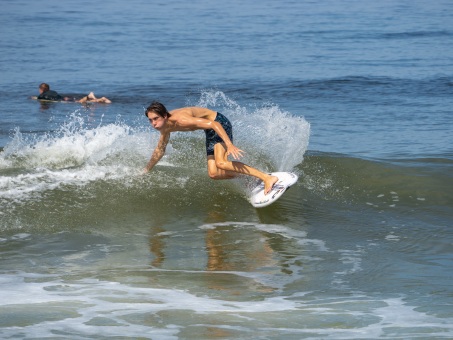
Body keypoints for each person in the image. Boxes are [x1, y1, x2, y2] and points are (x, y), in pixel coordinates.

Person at [143, 101, 278, 194]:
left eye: (156, 119)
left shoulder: (182, 121)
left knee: (221, 163)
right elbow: (160, 150)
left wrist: (230, 145)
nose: (153, 123)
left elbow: (214, 124)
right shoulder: (165, 128)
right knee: (213, 174)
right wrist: (146, 169)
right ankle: (249, 177)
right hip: (210, 130)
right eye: (150, 120)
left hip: (219, 123)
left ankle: (266, 178)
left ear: (165, 116)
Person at [34, 83, 111, 103]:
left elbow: (38, 98)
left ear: (41, 89)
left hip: (63, 100)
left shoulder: (42, 95)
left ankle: (89, 96)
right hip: (64, 98)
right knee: (80, 102)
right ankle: (101, 100)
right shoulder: (52, 91)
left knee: (79, 102)